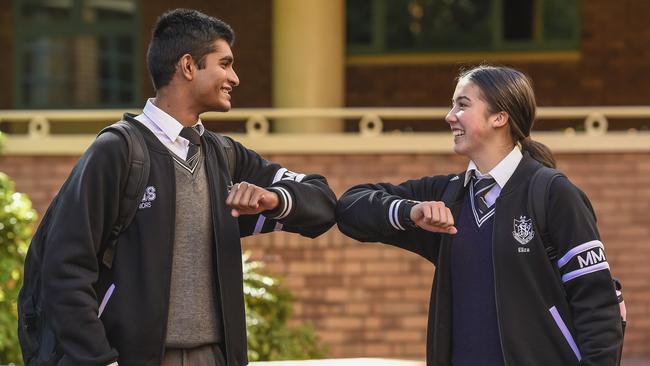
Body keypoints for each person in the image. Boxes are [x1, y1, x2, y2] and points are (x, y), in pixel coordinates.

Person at [28, 9, 336, 366]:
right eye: (225, 64)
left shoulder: (226, 155)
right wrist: (100, 360)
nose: (234, 77)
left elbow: (324, 203)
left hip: (215, 357)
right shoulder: (118, 151)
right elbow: (64, 269)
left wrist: (275, 199)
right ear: (188, 66)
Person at [336, 65, 623, 366]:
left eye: (462, 105)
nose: (449, 116)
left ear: (499, 117)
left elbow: (598, 306)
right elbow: (349, 207)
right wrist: (410, 211)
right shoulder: (447, 196)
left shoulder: (554, 194)